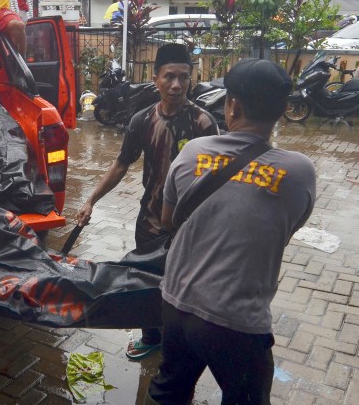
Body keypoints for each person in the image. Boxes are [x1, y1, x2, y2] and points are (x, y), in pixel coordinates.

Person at [146, 58, 316, 404]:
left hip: (177, 304)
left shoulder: (193, 151)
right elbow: (288, 227)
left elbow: (167, 222)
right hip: (237, 321)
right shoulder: (299, 171)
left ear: (232, 105)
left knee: (170, 391)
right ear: (284, 109)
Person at [75, 44, 219, 361]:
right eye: (169, 77)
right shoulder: (142, 121)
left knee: (185, 286)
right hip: (150, 221)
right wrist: (91, 200)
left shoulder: (203, 123)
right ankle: (151, 336)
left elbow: (215, 179)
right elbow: (121, 164)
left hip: (190, 227)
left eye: (183, 77)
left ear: (191, 79)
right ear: (156, 79)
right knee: (145, 285)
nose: (177, 84)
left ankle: (180, 341)